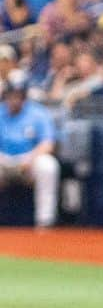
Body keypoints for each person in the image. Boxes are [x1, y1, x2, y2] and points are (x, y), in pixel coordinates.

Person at [0, 70, 61, 227]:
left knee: (48, 165)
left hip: (29, 162)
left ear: (25, 95)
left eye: (19, 94)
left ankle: (45, 221)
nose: (15, 99)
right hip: (3, 160)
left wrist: (30, 158)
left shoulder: (38, 113)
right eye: (12, 94)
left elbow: (48, 144)